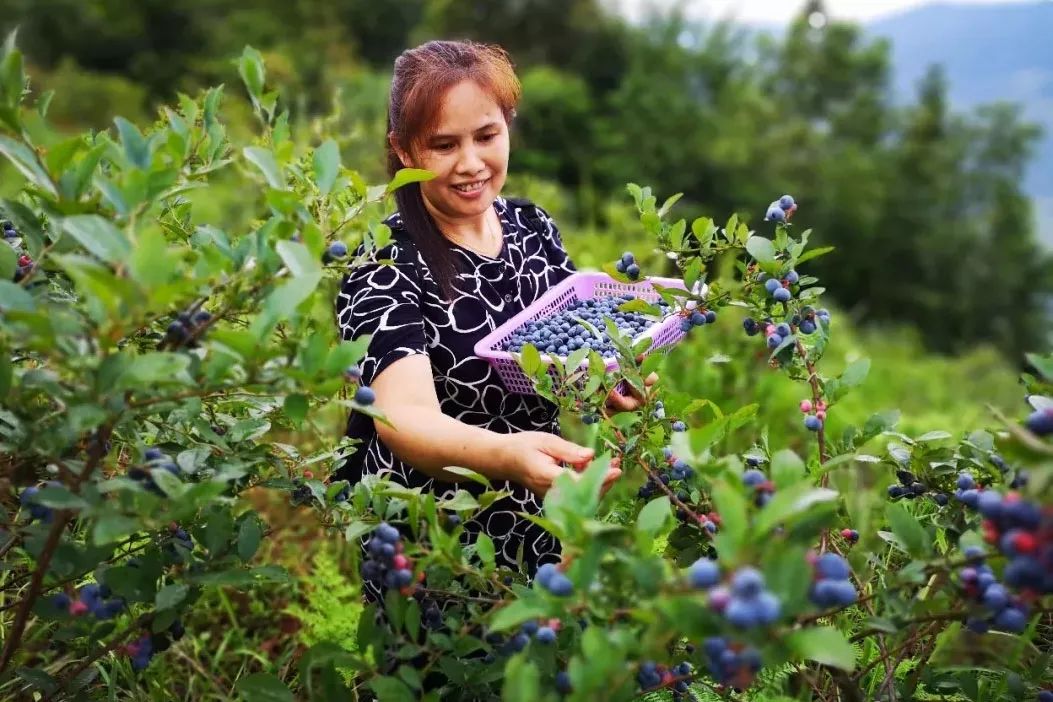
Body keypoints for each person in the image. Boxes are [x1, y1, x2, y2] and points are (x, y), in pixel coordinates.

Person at [333, 39, 657, 589]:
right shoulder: (383, 261)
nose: (471, 164)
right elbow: (403, 419)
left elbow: (568, 343)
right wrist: (508, 455)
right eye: (443, 145)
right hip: (432, 543)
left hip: (537, 516)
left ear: (507, 128)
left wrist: (605, 384)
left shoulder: (532, 228)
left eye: (487, 136)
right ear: (404, 150)